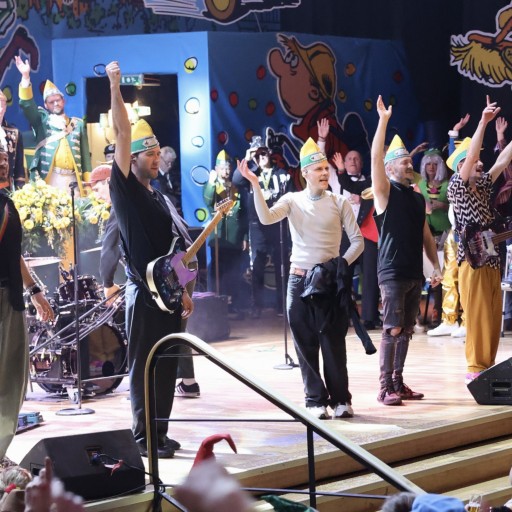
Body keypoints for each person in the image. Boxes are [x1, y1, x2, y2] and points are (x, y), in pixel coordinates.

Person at [238, 137, 364, 420]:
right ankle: (314, 400)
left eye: (325, 168)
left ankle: (341, 400)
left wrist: (339, 265)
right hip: (299, 281)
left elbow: (357, 242)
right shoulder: (292, 200)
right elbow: (267, 218)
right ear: (305, 173)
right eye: (317, 169)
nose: (324, 173)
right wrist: (255, 184)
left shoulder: (339, 201)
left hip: (328, 280)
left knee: (333, 342)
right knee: (305, 343)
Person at [106, 60, 194, 458]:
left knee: (168, 364)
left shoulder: (159, 197)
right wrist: (114, 86)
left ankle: (160, 432)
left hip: (167, 294)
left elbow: (172, 249)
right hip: (142, 295)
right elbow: (123, 132)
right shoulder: (124, 190)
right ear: (133, 159)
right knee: (145, 365)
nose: (156, 159)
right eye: (149, 154)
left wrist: (183, 290)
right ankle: (143, 437)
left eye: (159, 153)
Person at [88, 163, 201, 399]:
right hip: (186, 260)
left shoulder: (123, 203)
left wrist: (107, 283)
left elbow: (109, 249)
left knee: (161, 327)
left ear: (110, 182)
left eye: (97, 189)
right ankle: (187, 383)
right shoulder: (154, 194)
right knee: (175, 325)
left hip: (172, 266)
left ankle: (149, 388)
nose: (96, 196)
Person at [371, 95, 442, 406]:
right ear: (389, 168)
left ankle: (398, 383)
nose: (409, 164)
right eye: (403, 161)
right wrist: (383, 121)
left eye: (409, 161)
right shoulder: (384, 192)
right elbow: (375, 158)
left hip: (414, 272)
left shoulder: (416, 198)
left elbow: (426, 235)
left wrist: (434, 266)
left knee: (407, 330)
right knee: (393, 328)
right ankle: (384, 386)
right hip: (392, 271)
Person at [447, 96, 512, 385]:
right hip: (472, 262)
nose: (480, 163)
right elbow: (472, 156)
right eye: (474, 161)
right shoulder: (457, 188)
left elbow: (503, 159)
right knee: (477, 316)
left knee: (492, 316)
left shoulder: (483, 185)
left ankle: (488, 367)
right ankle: (476, 367)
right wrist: (483, 123)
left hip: (491, 258)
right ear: (462, 166)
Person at [0, 144, 54, 462]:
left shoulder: (7, 204)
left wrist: (34, 290)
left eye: (4, 158)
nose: (3, 164)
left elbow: (13, 253)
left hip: (9, 298)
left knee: (13, 380)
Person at [14, 56, 91, 196]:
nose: (55, 104)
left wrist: (89, 186)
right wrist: (25, 77)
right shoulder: (41, 121)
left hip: (74, 179)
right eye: (51, 102)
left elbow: (85, 159)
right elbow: (27, 105)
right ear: (45, 105)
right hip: (51, 179)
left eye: (58, 100)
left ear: (64, 101)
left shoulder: (77, 124)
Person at [233, 143, 290, 318]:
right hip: (257, 225)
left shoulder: (281, 173)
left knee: (282, 264)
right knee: (257, 265)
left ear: (270, 154)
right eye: (258, 155)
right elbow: (236, 180)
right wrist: (247, 157)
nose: (261, 157)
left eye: (264, 153)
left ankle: (282, 306)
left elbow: (290, 195)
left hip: (277, 223)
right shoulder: (252, 174)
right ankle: (256, 306)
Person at [332, 148, 381, 330]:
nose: (353, 161)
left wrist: (363, 199)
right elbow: (347, 183)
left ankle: (369, 317)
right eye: (349, 158)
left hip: (366, 234)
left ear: (362, 163)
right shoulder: (337, 180)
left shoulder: (372, 181)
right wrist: (340, 170)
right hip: (345, 234)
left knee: (370, 276)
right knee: (342, 274)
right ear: (344, 163)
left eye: (356, 158)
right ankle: (343, 315)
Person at [204, 150, 248, 317]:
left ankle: (234, 305)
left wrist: (245, 237)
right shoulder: (212, 187)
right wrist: (211, 182)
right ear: (216, 169)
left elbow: (244, 214)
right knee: (217, 274)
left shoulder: (237, 187)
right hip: (219, 238)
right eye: (222, 168)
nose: (226, 171)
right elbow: (208, 201)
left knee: (235, 273)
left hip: (235, 238)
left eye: (228, 168)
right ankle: (217, 306)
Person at [0, 90, 25, 191]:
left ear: (6, 107)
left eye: (2, 105)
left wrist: (20, 191)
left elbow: (19, 167)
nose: (0, 110)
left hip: (5, 191)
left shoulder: (15, 132)